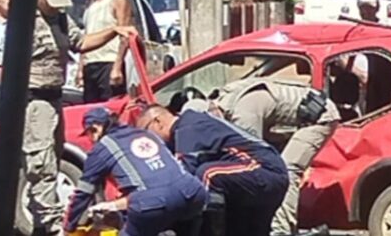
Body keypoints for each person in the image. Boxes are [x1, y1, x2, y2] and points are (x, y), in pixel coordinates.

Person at [0, 0, 136, 236]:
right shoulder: (24, 22)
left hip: (54, 97)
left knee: (53, 160)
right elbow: (2, 63)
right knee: (41, 164)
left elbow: (80, 42)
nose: (56, 6)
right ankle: (52, 227)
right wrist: (10, 104)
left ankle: (42, 224)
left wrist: (114, 32)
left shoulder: (59, 17)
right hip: (33, 101)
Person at [181, 78, 340, 236]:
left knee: (287, 169)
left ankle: (281, 231)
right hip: (293, 119)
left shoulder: (243, 115)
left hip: (320, 118)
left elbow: (255, 161)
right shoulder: (226, 103)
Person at [136, 105, 289, 236]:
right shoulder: (186, 130)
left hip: (264, 169)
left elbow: (182, 175)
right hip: (252, 180)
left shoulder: (188, 127)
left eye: (146, 132)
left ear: (157, 122)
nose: (148, 140)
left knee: (207, 175)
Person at [63, 107, 207, 236]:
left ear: (95, 129)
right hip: (194, 193)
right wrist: (114, 207)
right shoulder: (146, 134)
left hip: (152, 204)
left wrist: (68, 227)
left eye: (89, 133)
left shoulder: (103, 147)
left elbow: (83, 192)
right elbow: (160, 181)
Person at [78, 0, 133, 103]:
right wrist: (80, 68)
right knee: (90, 109)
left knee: (109, 110)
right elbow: (86, 37)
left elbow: (124, 35)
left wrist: (117, 67)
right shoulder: (90, 4)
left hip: (109, 63)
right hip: (91, 65)